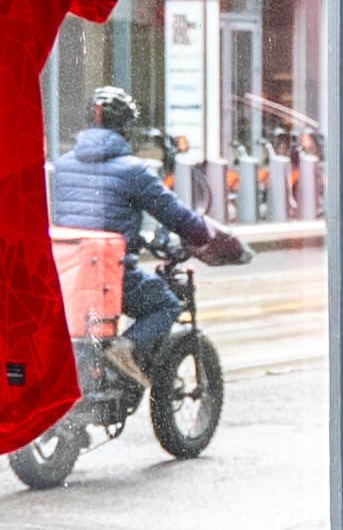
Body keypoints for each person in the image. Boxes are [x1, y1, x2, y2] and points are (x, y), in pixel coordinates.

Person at [49, 86, 248, 384]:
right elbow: (178, 217)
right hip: (110, 276)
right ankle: (124, 350)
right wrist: (209, 236)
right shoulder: (134, 171)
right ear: (126, 127)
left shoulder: (62, 166)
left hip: (66, 275)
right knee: (165, 303)